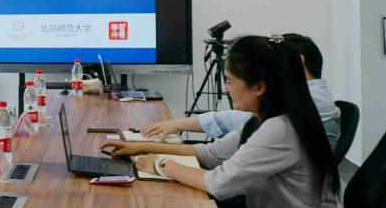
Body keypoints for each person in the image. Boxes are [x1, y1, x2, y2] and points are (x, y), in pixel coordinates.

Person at [103, 35, 350, 208]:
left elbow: (217, 183)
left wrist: (161, 164)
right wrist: (141, 148)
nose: (226, 88)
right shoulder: (265, 120)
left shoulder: (280, 129)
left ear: (259, 87)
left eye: (231, 80)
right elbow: (211, 153)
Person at [141, 33, 340, 145]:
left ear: (298, 62)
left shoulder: (308, 103)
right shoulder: (306, 98)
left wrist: (163, 161)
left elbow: (220, 178)